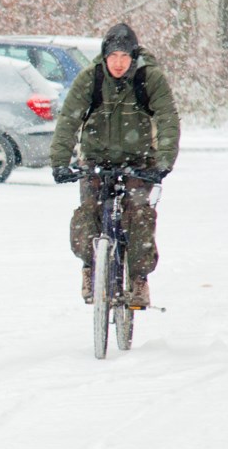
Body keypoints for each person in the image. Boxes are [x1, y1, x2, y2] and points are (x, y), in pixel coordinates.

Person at [49, 23, 180, 307]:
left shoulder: (149, 79)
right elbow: (68, 120)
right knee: (87, 217)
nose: (118, 63)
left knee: (139, 218)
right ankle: (90, 268)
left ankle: (138, 281)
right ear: (104, 57)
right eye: (113, 57)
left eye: (124, 56)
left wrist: (163, 162)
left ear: (133, 57)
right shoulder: (91, 79)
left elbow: (168, 119)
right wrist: (60, 162)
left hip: (138, 162)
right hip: (96, 159)